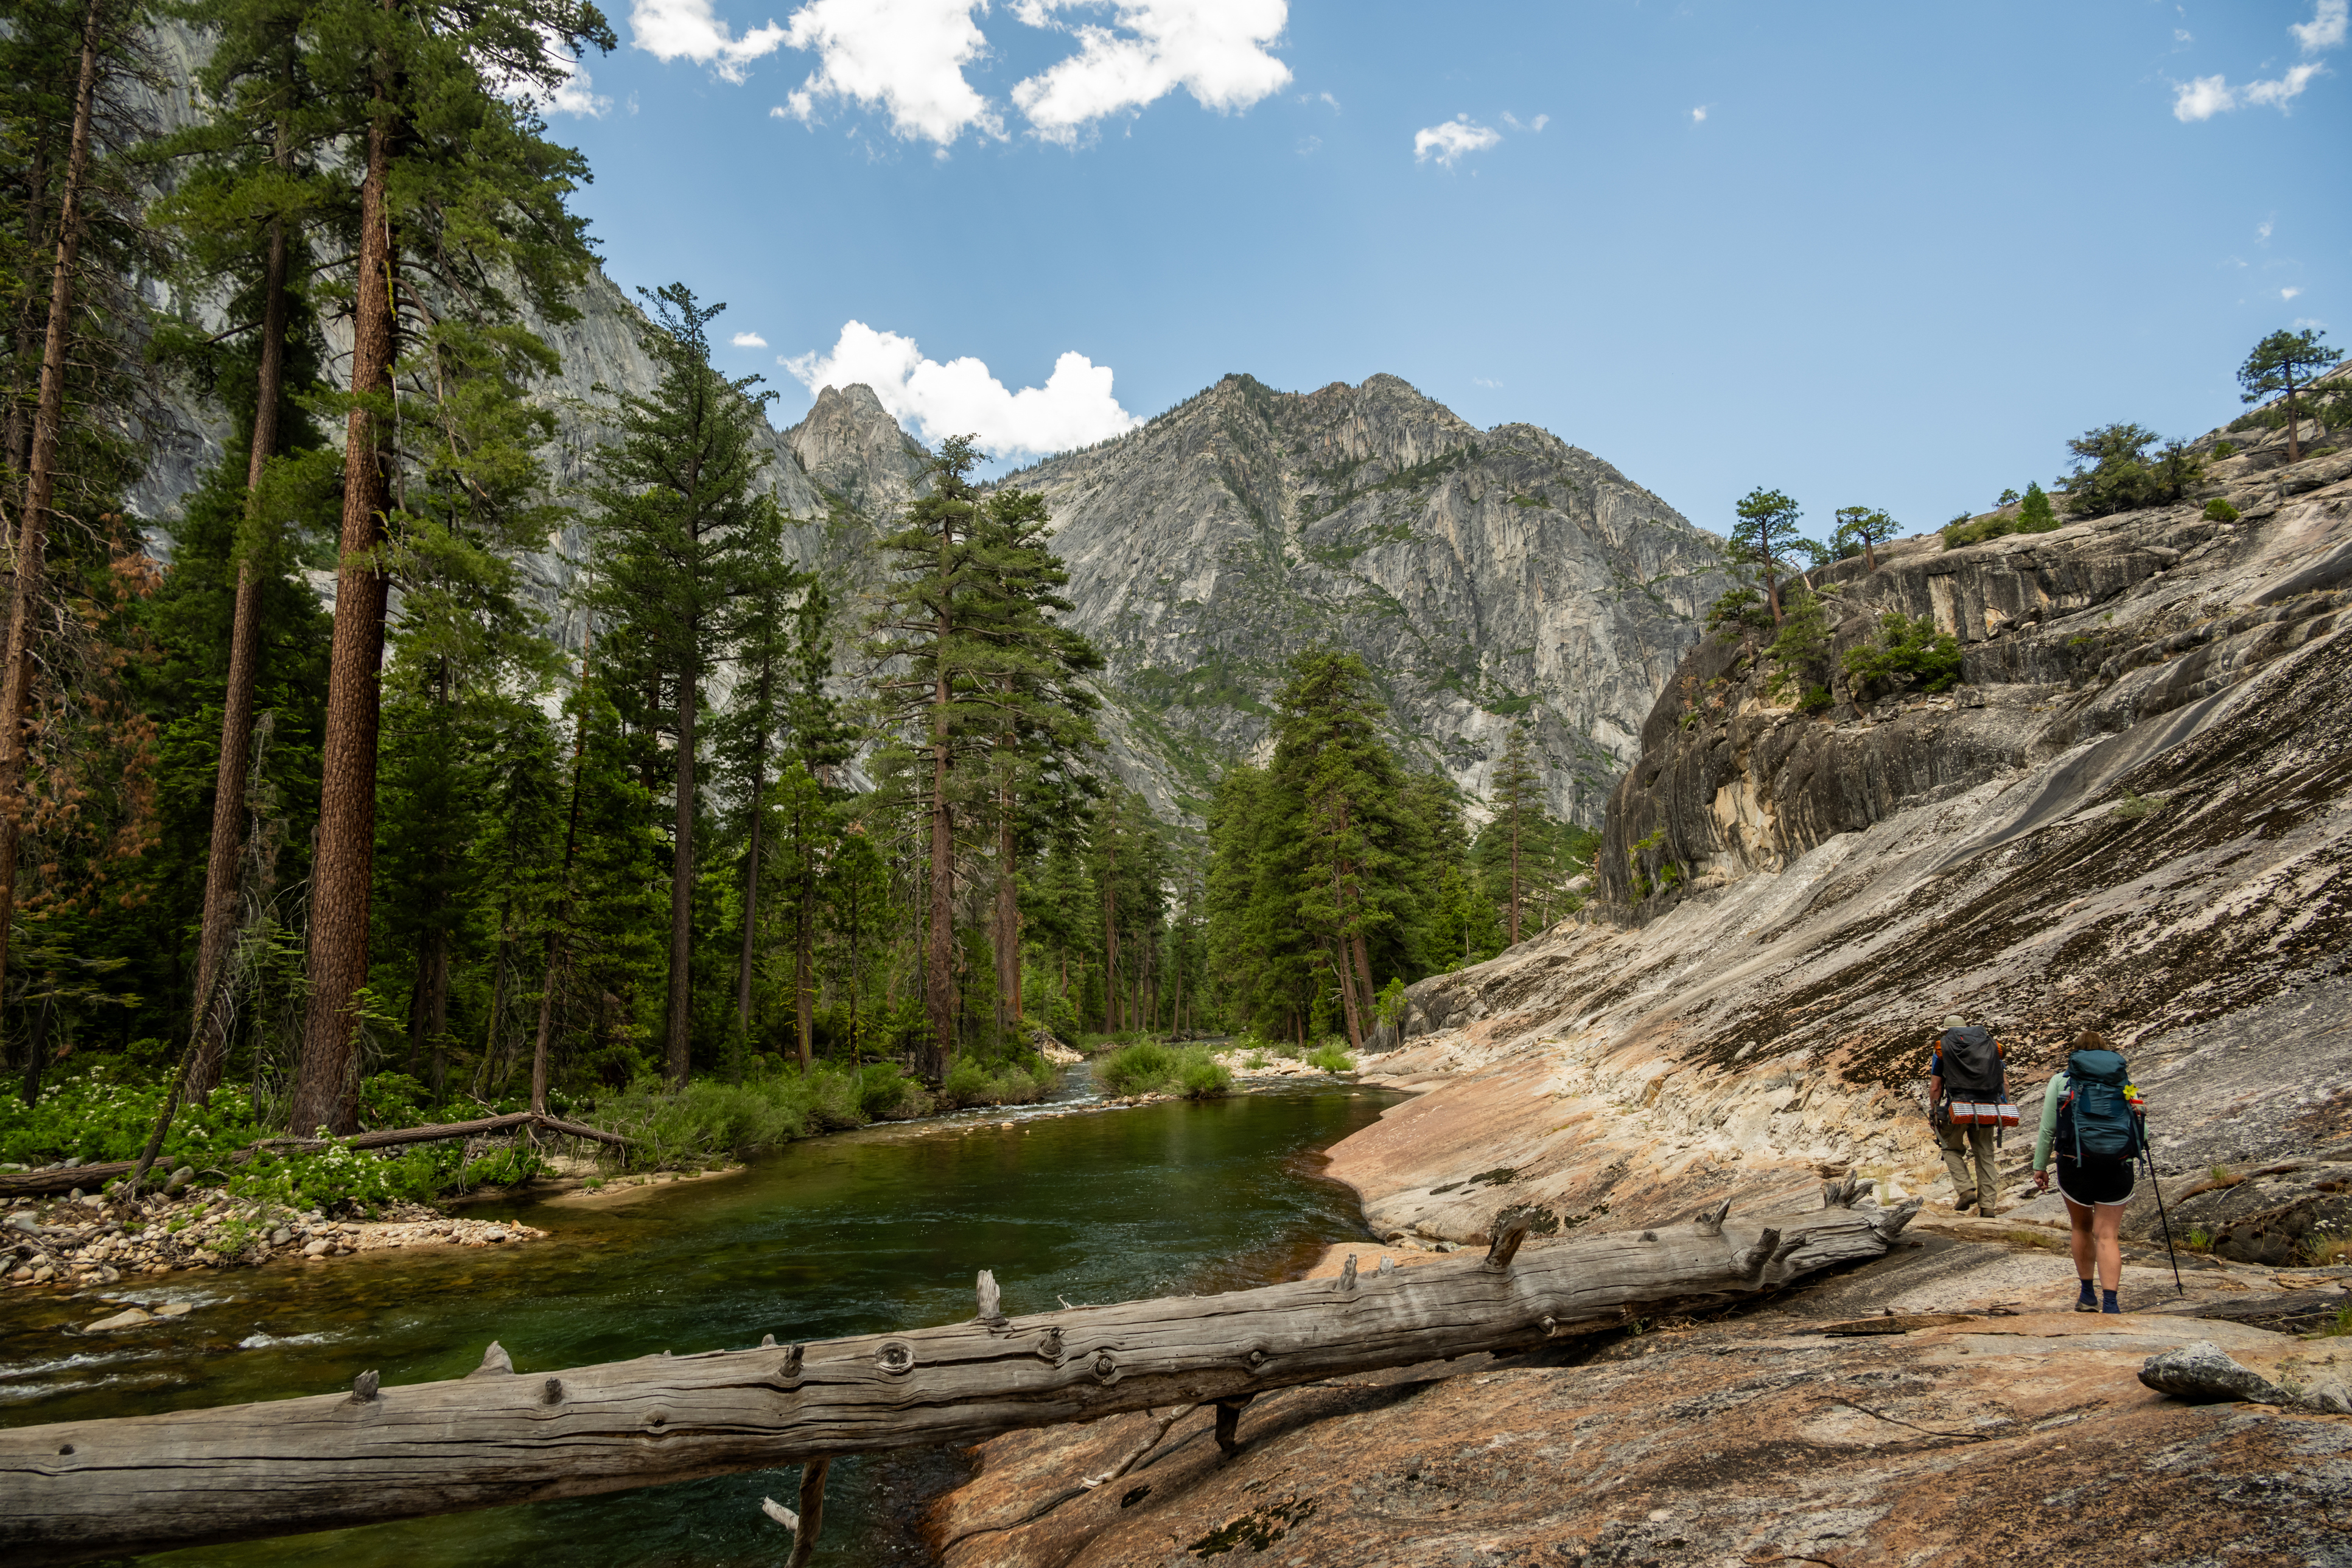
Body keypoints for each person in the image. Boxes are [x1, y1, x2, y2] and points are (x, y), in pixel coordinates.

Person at [2032, 1030, 2146, 1315]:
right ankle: (2111, 1304)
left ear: (2076, 1054)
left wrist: (2040, 1166)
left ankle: (2087, 1296)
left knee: (2081, 1228)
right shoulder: (2125, 1083)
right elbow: (2139, 1121)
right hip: (2118, 1165)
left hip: (2075, 1164)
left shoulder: (2062, 1080)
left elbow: (2049, 1128)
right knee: (2108, 1235)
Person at [1927, 1013, 2003, 1217]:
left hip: (1959, 1108)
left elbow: (1936, 1086)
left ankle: (1966, 1190)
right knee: (1985, 1154)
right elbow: (2004, 1082)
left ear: (1946, 1031)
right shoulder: (1988, 1047)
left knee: (1950, 1148)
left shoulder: (1943, 1049)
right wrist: (2000, 1106)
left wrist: (1934, 1111)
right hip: (1988, 1108)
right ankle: (1988, 1207)